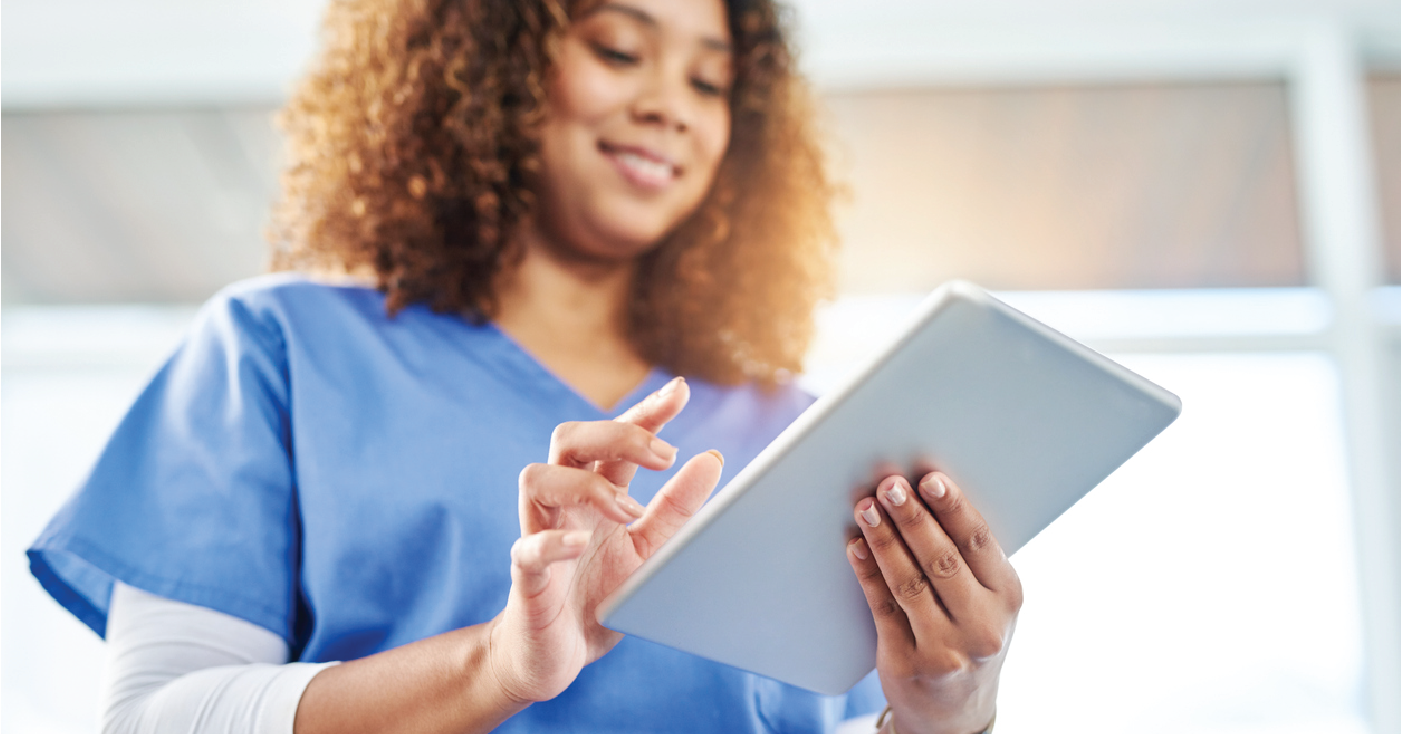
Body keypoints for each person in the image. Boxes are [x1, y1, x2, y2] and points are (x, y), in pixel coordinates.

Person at [27, 0, 1022, 732]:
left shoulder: (807, 432)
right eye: (620, 47)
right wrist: (498, 664)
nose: (671, 106)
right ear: (484, 61)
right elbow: (158, 716)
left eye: (709, 81)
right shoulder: (279, 352)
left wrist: (947, 709)